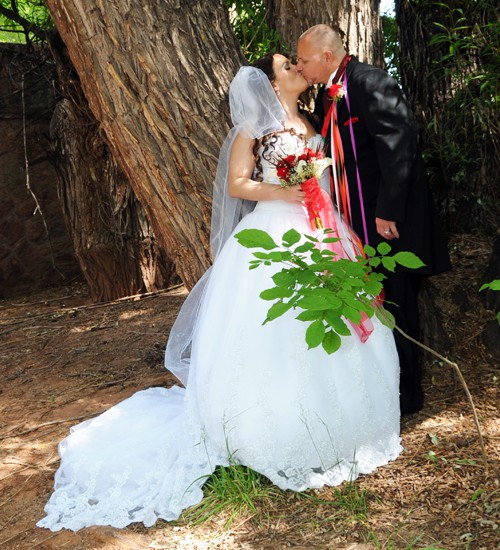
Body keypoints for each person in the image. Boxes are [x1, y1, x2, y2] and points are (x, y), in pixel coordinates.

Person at [37, 54, 402, 532]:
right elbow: (237, 183)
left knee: (333, 319)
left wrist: (323, 208)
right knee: (274, 326)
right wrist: (285, 191)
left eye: (294, 62)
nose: (295, 67)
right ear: (271, 83)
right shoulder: (253, 128)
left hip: (320, 230)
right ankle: (271, 433)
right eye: (286, 65)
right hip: (275, 233)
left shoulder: (313, 119)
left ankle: (344, 427)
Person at [296, 25, 452, 415]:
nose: (300, 66)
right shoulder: (328, 96)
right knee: (374, 303)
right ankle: (384, 387)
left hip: (386, 224)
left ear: (327, 57)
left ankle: (409, 398)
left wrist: (387, 211)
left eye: (303, 59)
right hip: (356, 223)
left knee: (397, 302)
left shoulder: (368, 81)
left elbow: (399, 142)